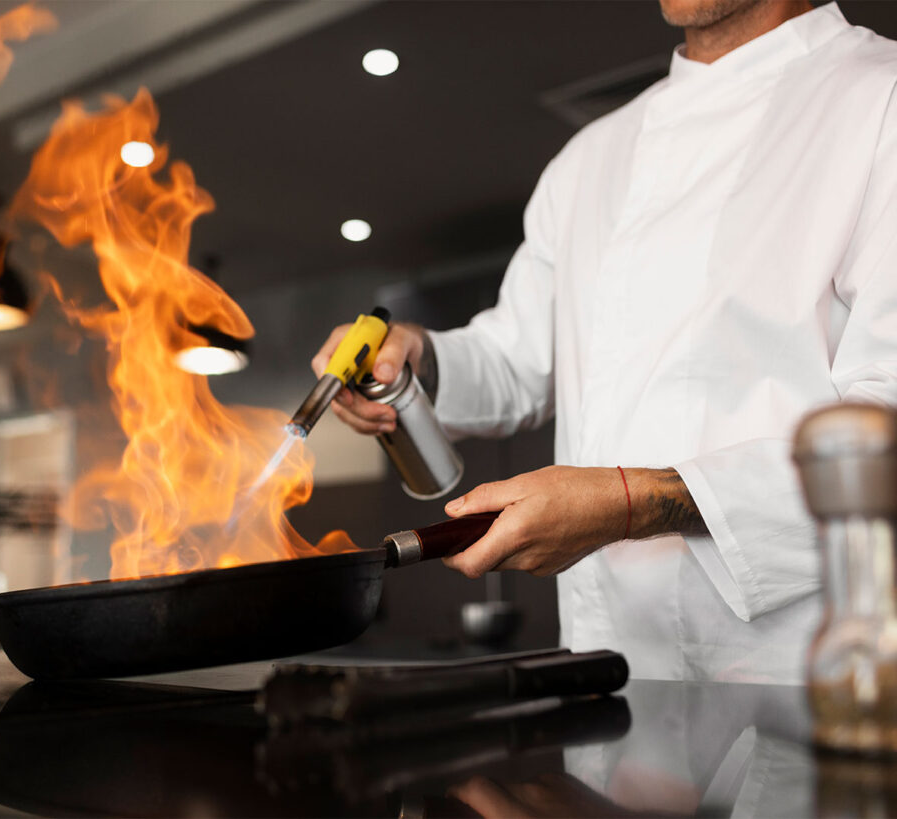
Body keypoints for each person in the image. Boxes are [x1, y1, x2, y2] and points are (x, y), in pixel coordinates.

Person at [313, 0, 897, 684]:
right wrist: (419, 359)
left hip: (808, 675)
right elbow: (516, 357)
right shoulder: (591, 158)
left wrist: (630, 501)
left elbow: (880, 433)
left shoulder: (879, 98)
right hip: (610, 668)